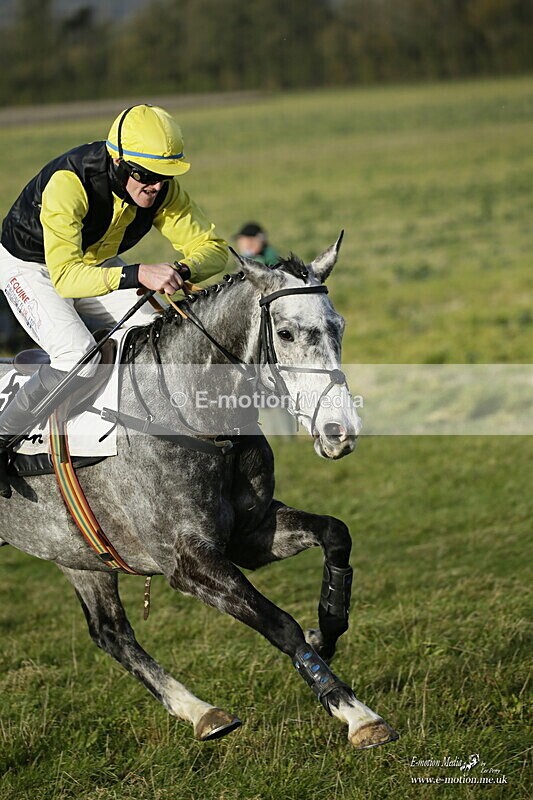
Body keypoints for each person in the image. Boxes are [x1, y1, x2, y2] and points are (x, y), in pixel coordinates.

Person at [0, 103, 228, 497]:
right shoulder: (69, 183)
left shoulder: (161, 189)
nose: (156, 186)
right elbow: (67, 278)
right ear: (118, 162)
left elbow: (213, 247)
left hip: (94, 261)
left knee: (158, 334)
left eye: (165, 176)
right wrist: (139, 273)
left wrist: (183, 271)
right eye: (147, 176)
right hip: (32, 268)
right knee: (76, 357)